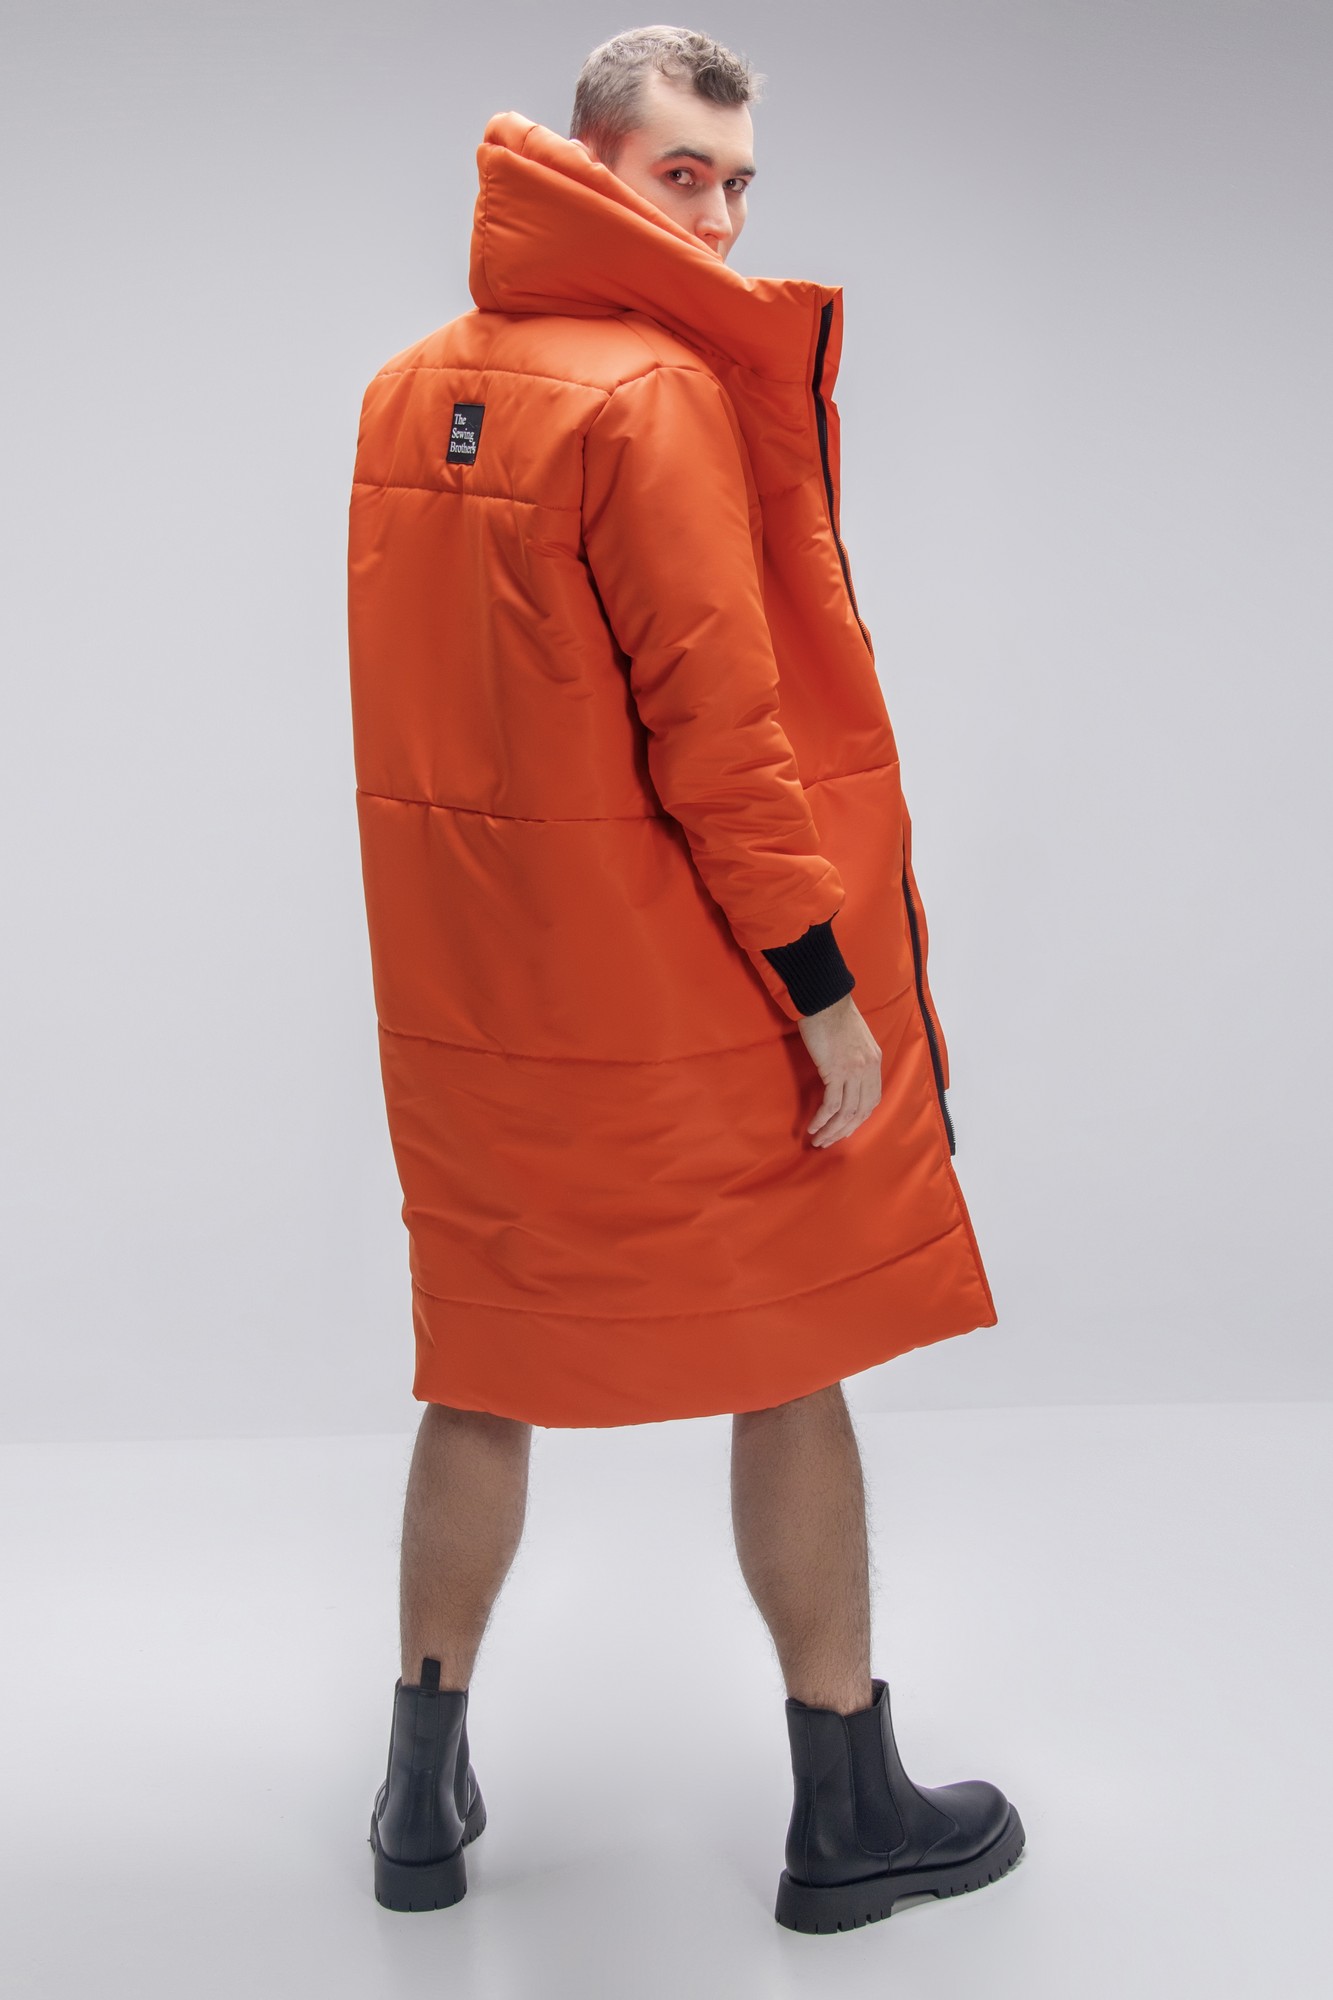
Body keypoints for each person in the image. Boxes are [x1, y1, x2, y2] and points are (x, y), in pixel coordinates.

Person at [348, 25, 1023, 1932]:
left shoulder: (409, 391)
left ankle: (416, 1799)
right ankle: (849, 1808)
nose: (717, 219)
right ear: (588, 168)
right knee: (790, 1359)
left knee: (485, 1361)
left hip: (479, 1000)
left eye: (735, 184)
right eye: (680, 176)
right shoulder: (650, 398)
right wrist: (825, 988)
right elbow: (718, 738)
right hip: (673, 996)